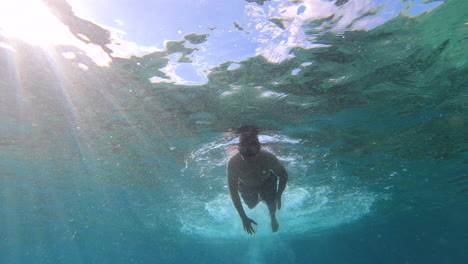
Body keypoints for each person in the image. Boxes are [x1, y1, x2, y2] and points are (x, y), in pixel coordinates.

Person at [227, 125, 288, 234]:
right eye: (245, 155)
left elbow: (283, 176)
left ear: (259, 150)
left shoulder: (268, 158)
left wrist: (279, 195)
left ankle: (273, 217)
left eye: (252, 156)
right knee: (251, 206)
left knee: (271, 204)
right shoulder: (233, 163)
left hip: (267, 181)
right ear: (239, 150)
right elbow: (233, 192)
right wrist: (243, 217)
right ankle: (261, 198)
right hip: (246, 185)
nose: (248, 160)